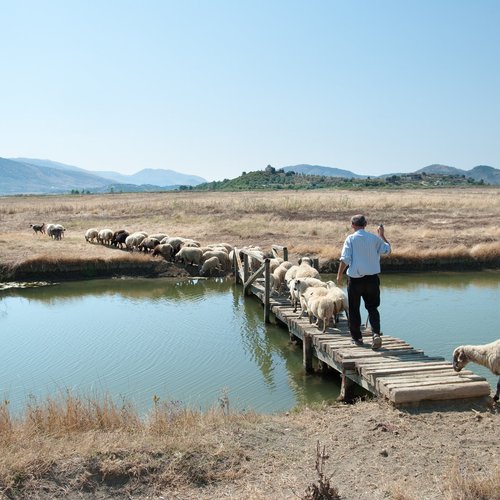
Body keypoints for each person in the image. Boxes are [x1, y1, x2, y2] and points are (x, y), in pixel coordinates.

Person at [336, 214, 391, 349]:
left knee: (354, 309)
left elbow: (345, 259)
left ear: (352, 225)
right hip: (372, 279)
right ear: (365, 224)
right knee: (373, 308)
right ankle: (376, 334)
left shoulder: (350, 239)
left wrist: (339, 275)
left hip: (355, 280)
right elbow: (388, 250)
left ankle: (357, 338)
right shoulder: (374, 239)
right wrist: (382, 235)